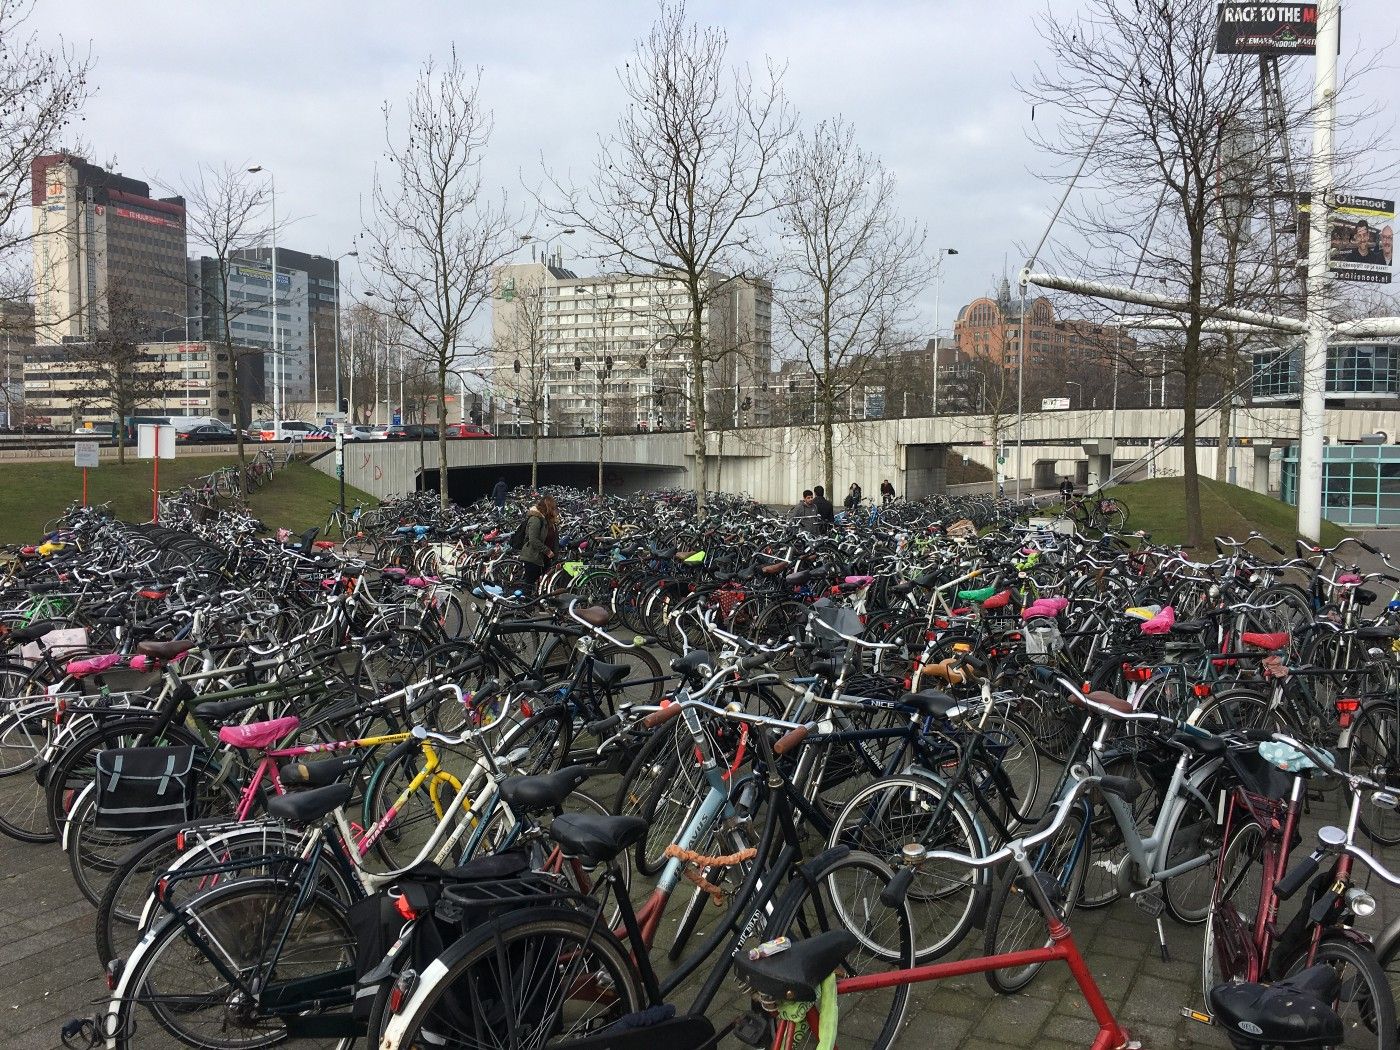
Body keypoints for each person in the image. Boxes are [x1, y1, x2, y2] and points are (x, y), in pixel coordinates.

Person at [520, 494, 559, 592]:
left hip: (544, 559)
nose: (555, 510)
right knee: (529, 585)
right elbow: (533, 540)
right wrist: (547, 551)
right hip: (533, 557)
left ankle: (537, 604)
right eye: (553, 508)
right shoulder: (536, 519)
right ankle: (525, 605)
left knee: (542, 585)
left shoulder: (549, 521)